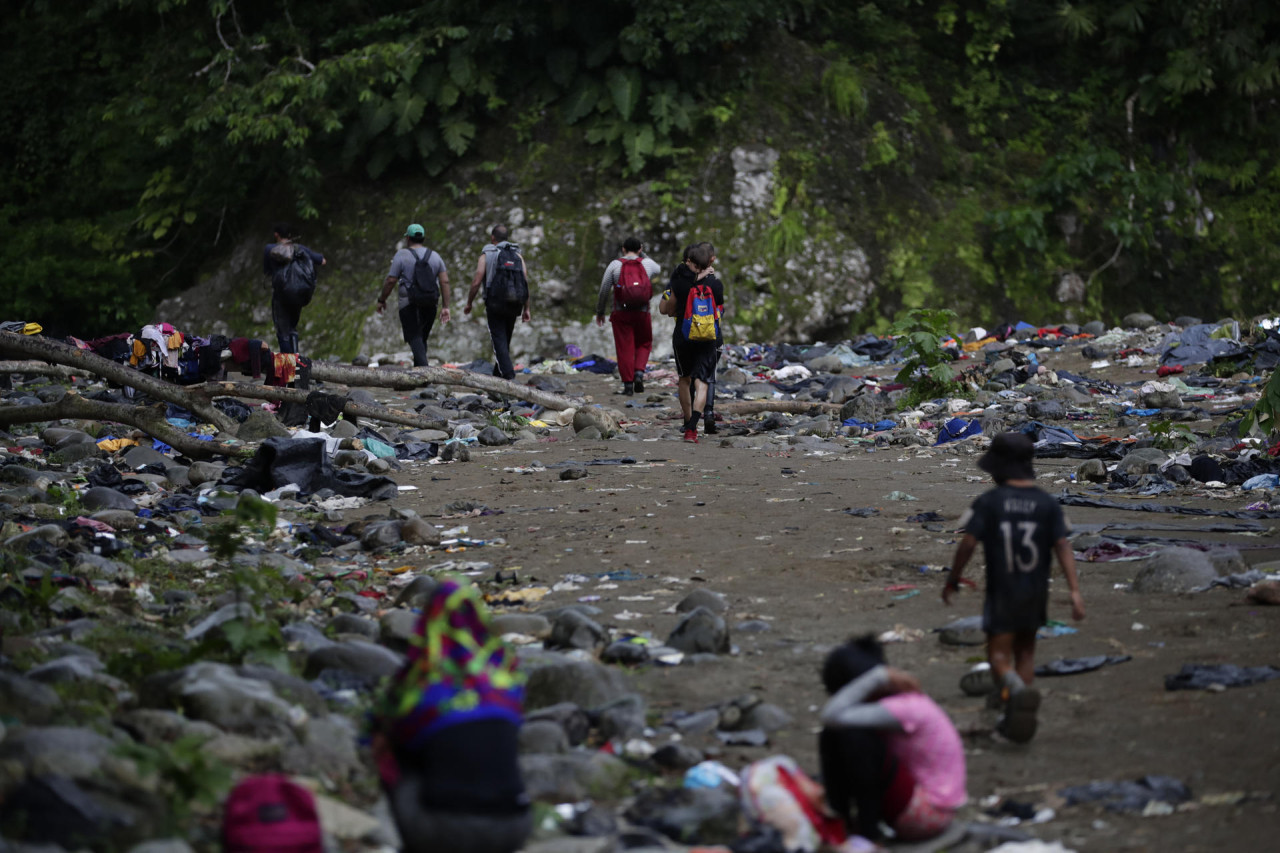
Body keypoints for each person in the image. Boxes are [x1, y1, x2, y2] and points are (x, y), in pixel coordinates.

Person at [942, 431, 1086, 743]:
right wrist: (1074, 591)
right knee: (1026, 654)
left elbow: (967, 543)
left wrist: (953, 578)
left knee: (998, 657)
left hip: (1003, 592)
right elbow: (1062, 545)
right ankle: (1015, 708)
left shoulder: (990, 502)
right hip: (1035, 592)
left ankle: (1017, 695)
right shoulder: (1047, 503)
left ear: (998, 468)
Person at [369, 578, 531, 853]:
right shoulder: (504, 684)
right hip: (515, 828)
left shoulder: (420, 686)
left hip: (445, 833)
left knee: (395, 749)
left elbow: (385, 741)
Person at [819, 636, 966, 851]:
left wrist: (877, 676)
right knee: (836, 734)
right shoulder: (896, 702)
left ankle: (869, 836)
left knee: (853, 737)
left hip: (930, 814)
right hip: (922, 807)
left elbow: (831, 715)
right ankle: (842, 821)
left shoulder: (901, 707)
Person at [658, 242, 723, 443]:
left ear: (689, 262)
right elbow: (719, 312)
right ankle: (694, 426)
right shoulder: (715, 284)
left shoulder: (678, 283)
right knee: (702, 382)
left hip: (683, 336)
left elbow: (666, 310)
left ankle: (688, 425)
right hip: (708, 337)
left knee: (685, 380)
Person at [377, 224, 451, 367]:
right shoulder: (435, 256)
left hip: (408, 303)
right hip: (431, 302)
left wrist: (382, 300)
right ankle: (420, 376)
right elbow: (445, 281)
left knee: (414, 336)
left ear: (408, 238)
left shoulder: (402, 255)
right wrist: (445, 307)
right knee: (421, 338)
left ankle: (424, 372)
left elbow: (391, 280)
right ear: (423, 238)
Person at [595, 236, 661, 395]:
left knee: (624, 348)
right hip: (642, 312)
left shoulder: (615, 265)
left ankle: (628, 386)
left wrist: (600, 311)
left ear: (623, 249)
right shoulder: (647, 264)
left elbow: (604, 289)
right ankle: (639, 373)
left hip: (621, 313)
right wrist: (642, 254)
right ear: (640, 248)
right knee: (644, 343)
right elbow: (658, 268)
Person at [465, 225, 530, 381]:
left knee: (498, 340)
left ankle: (509, 375)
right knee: (505, 339)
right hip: (515, 303)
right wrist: (526, 308)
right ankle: (498, 374)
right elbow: (525, 282)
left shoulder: (487, 254)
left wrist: (469, 302)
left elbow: (476, 281)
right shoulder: (517, 255)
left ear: (492, 238)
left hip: (495, 303)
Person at [262, 222, 325, 355]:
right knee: (292, 328)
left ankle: (288, 366)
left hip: (280, 296)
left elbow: (266, 271)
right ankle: (295, 362)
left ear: (276, 235)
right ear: (290, 235)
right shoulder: (298, 248)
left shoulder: (270, 249)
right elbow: (321, 260)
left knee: (283, 332)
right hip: (297, 295)